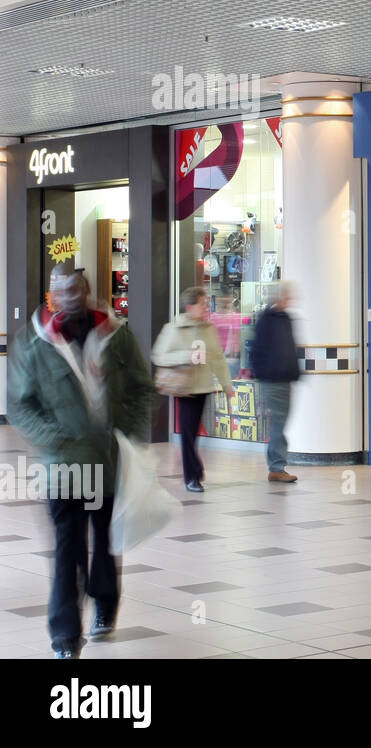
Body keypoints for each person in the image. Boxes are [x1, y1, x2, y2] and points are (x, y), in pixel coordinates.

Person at [8, 264, 155, 658]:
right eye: (61, 291)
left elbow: (143, 387)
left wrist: (124, 428)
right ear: (51, 295)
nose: (69, 298)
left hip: (107, 463)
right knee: (66, 551)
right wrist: (52, 439)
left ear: (88, 291)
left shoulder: (116, 336)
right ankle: (65, 637)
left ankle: (105, 604)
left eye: (76, 290)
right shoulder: (34, 343)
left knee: (105, 542)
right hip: (63, 468)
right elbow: (19, 406)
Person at [153, 286, 235, 493]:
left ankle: (195, 470)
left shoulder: (209, 329)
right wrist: (184, 357)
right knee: (188, 433)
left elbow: (218, 359)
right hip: (185, 388)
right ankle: (192, 476)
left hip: (204, 387)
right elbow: (158, 356)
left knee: (194, 433)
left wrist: (227, 384)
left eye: (207, 303)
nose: (206, 307)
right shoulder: (174, 328)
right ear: (190, 307)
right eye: (202, 303)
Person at [249, 282, 299, 483]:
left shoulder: (285, 319)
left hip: (285, 378)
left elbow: (290, 347)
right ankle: (277, 467)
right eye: (287, 297)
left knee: (281, 422)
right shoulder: (266, 320)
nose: (290, 301)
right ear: (279, 298)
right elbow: (256, 351)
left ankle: (277, 465)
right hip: (272, 380)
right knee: (278, 422)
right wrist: (265, 373)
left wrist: (294, 372)